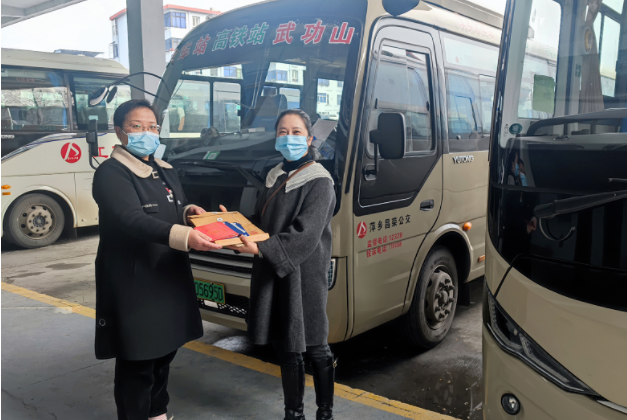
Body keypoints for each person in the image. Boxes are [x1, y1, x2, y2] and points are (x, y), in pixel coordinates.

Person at [92, 99, 221, 420]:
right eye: (137, 126)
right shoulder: (111, 173)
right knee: (139, 358)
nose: (146, 133)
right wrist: (184, 236)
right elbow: (131, 219)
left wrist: (187, 213)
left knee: (165, 351)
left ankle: (157, 412)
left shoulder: (164, 169)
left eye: (152, 127)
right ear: (120, 131)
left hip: (168, 275)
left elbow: (170, 207)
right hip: (135, 281)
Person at [221, 109, 336, 420]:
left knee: (315, 344)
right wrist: (229, 224)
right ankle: (293, 414)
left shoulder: (320, 180)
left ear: (309, 139)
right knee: (287, 345)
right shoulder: (275, 175)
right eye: (283, 132)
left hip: (305, 274)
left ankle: (325, 413)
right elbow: (261, 221)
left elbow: (306, 233)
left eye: (296, 132)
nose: (289, 138)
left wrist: (261, 247)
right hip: (275, 267)